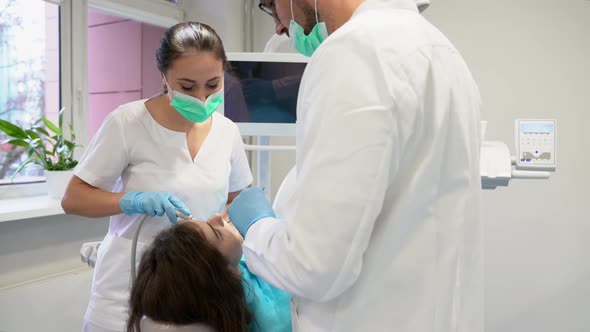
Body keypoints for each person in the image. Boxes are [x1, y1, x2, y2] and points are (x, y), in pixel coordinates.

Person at [228, 0, 484, 331]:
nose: (279, 26)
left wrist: (258, 226)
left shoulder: (353, 51)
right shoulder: (443, 53)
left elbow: (312, 266)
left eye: (271, 5)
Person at [61, 22, 253, 332]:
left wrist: (227, 230)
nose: (202, 97)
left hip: (199, 289)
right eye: (188, 87)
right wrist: (130, 200)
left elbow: (239, 201)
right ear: (163, 76)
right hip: (127, 288)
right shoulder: (128, 122)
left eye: (213, 84)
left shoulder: (227, 132)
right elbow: (74, 199)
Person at [127, 214, 292, 332]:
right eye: (216, 232)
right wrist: (264, 228)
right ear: (222, 277)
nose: (217, 217)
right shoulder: (266, 313)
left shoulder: (239, 264)